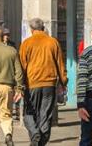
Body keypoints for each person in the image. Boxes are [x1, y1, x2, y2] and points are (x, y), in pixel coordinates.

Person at [18, 18, 68, 146]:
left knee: (29, 113)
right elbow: (60, 64)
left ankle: (35, 133)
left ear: (31, 29)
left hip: (32, 84)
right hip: (49, 84)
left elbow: (22, 66)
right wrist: (63, 82)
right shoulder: (53, 42)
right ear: (43, 28)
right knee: (45, 115)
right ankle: (41, 142)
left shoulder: (26, 43)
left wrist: (20, 86)